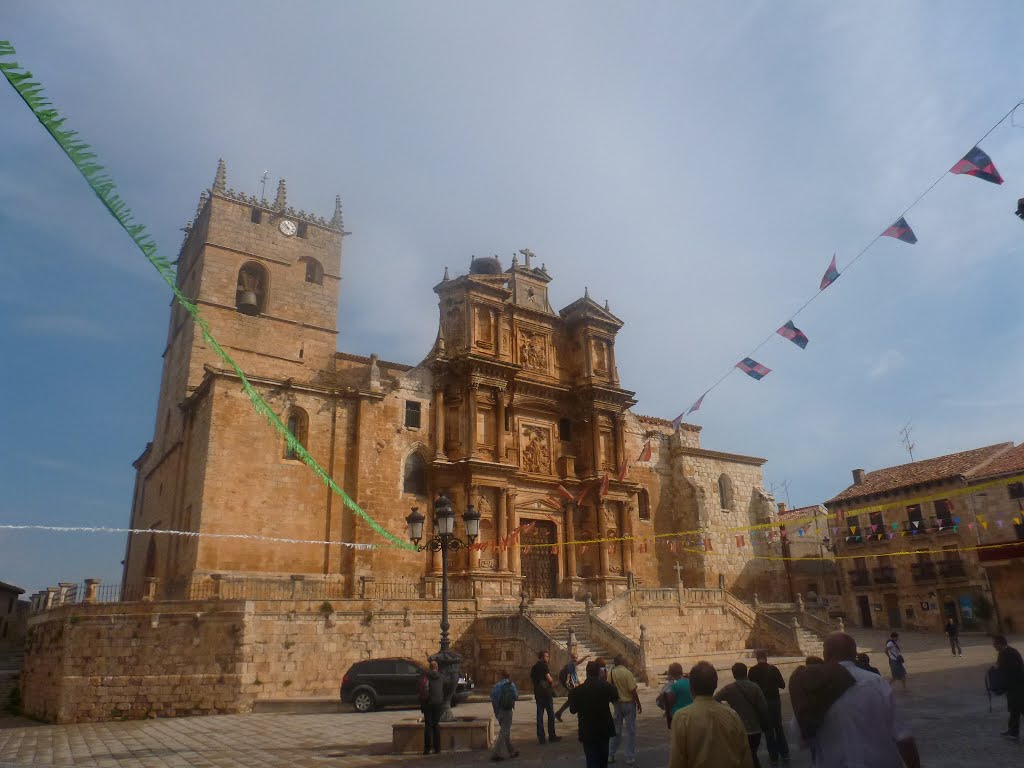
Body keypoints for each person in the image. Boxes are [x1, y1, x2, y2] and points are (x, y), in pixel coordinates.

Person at [793, 632, 920, 768]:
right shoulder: (876, 682)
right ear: (854, 654)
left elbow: (801, 737)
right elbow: (903, 736)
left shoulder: (812, 686)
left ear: (825, 655)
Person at [669, 661, 753, 768]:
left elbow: (677, 761)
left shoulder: (682, 718)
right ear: (715, 684)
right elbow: (745, 757)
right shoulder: (732, 715)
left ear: (691, 687)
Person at [715, 662, 770, 768]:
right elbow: (763, 708)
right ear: (746, 672)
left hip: (738, 729)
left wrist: (727, 711)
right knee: (753, 755)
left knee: (741, 757)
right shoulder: (755, 687)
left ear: (734, 674)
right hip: (755, 729)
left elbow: (715, 699)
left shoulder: (728, 689)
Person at [568, 660, 619, 768]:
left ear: (586, 672)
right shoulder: (606, 687)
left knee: (591, 760)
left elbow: (573, 710)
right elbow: (615, 697)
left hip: (587, 730)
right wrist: (605, 680)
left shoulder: (577, 691)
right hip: (604, 728)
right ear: (599, 672)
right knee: (603, 761)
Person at [748, 651, 789, 765]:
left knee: (768, 730)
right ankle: (785, 753)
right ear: (766, 658)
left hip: (761, 703)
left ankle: (773, 756)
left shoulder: (752, 671)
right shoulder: (773, 669)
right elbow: (782, 685)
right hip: (775, 702)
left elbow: (751, 688)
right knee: (778, 727)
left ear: (757, 658)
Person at [608, 655, 642, 765]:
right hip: (628, 704)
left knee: (616, 730)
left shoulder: (611, 673)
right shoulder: (627, 673)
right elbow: (633, 690)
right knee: (631, 731)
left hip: (617, 704)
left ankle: (611, 754)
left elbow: (609, 688)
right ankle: (629, 756)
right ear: (622, 662)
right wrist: (638, 703)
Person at [993, 634, 1024, 741]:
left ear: (1000, 644)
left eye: (995, 644)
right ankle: (1013, 731)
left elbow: (1015, 670)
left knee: (1020, 708)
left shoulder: (1010, 653)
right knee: (1014, 710)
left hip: (1018, 687)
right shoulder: (1004, 653)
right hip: (1012, 688)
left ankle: (1013, 731)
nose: (993, 647)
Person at [530, 650, 561, 744]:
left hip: (538, 694)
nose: (548, 658)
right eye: (546, 656)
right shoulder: (544, 666)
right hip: (546, 694)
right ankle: (552, 735)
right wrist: (552, 681)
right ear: (542, 657)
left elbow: (532, 678)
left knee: (540, 716)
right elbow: (549, 679)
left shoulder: (534, 667)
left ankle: (541, 737)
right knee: (550, 715)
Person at [490, 669, 519, 761]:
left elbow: (492, 698)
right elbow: (516, 696)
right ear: (509, 676)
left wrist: (496, 711)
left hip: (499, 710)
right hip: (507, 711)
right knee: (504, 732)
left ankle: (512, 751)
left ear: (501, 676)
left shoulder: (496, 686)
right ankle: (497, 753)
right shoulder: (511, 685)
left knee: (505, 731)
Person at [556, 652, 589, 722]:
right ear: (571, 658)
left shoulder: (571, 666)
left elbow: (575, 676)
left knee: (571, 700)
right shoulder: (571, 664)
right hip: (570, 685)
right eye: (574, 658)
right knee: (577, 698)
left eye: (576, 658)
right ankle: (579, 714)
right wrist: (586, 656)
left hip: (571, 685)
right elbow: (569, 675)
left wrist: (579, 684)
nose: (575, 659)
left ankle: (559, 713)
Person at [660, 662, 693, 730]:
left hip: (678, 716)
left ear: (671, 674)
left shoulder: (674, 686)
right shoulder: (691, 682)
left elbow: (669, 701)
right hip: (691, 715)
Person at [422, 660, 444, 755]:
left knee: (428, 726)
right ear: (437, 668)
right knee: (436, 725)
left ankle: (427, 749)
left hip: (428, 703)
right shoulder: (441, 677)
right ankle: (438, 748)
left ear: (430, 668)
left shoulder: (426, 676)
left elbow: (424, 689)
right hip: (438, 703)